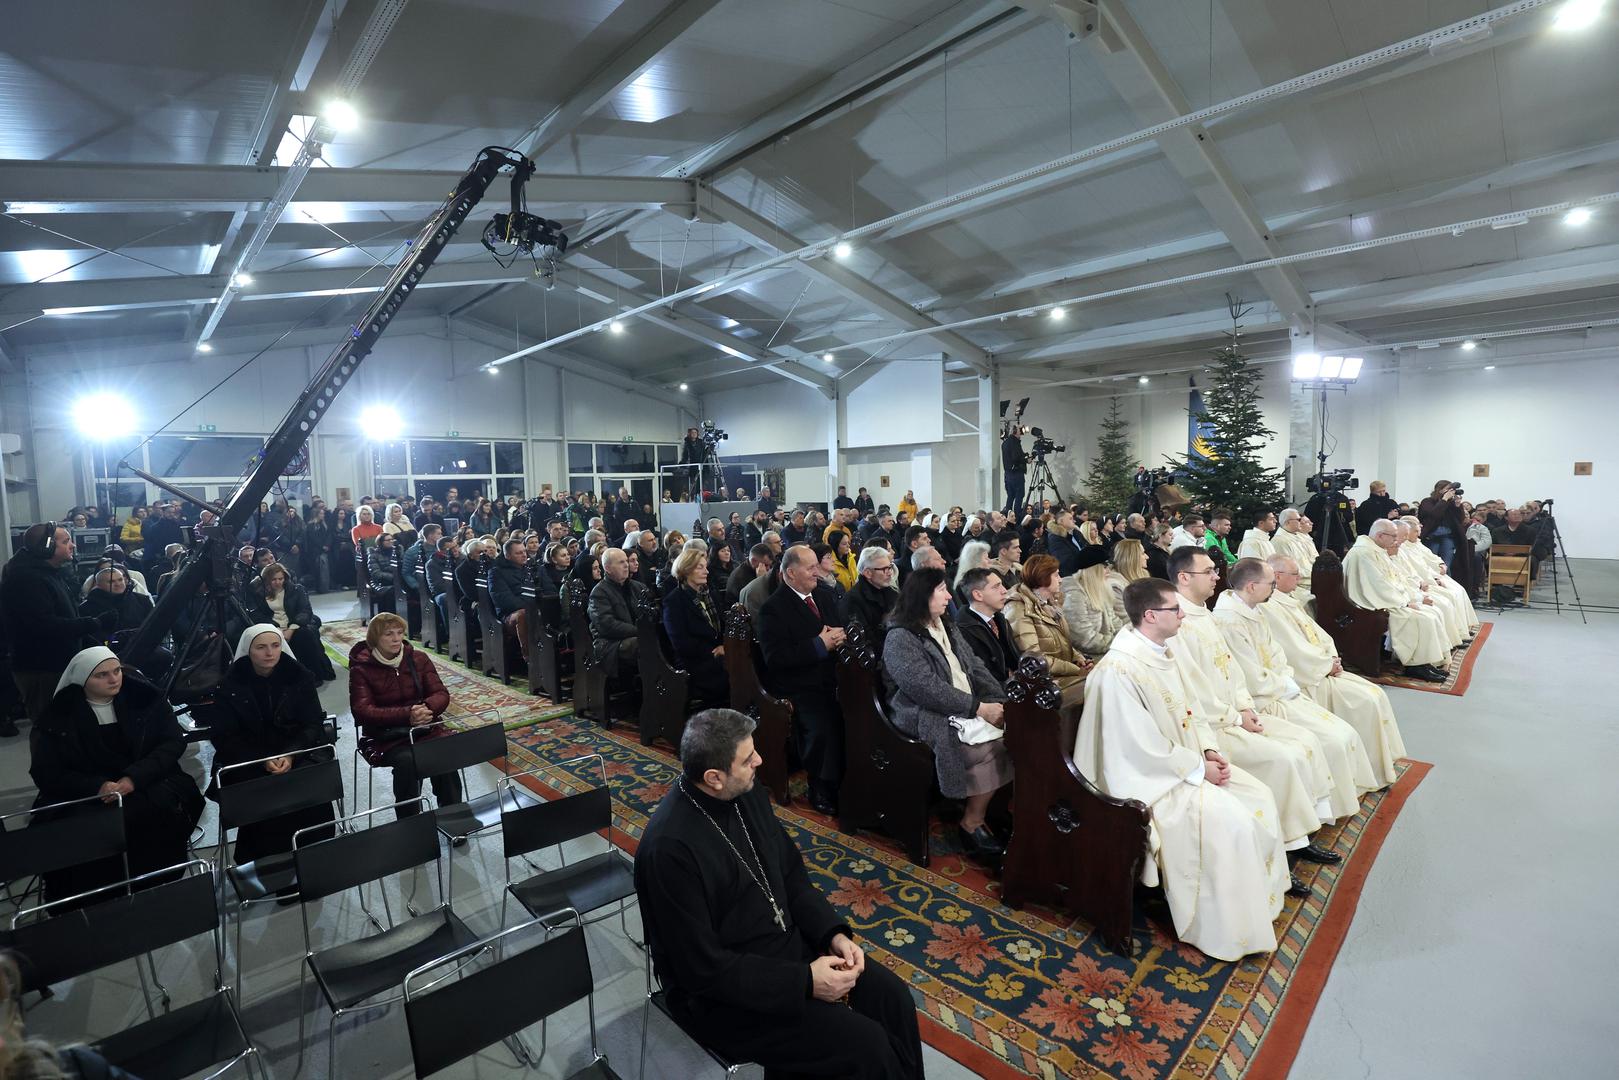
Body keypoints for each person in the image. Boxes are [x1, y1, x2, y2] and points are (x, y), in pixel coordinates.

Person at [633, 709, 923, 1079]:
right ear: (714, 778)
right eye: (747, 758)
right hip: (721, 998)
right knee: (866, 1046)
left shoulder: (748, 795)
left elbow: (791, 877)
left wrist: (831, 933)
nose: (760, 760)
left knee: (894, 1000)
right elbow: (701, 969)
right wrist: (804, 982)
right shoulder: (669, 850)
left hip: (788, 949)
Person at [1074, 578, 1296, 961]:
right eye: (1174, 610)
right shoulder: (1119, 671)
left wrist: (1208, 749)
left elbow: (1191, 708)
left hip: (1186, 764)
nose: (1182, 616)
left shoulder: (1163, 651)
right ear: (1149, 615)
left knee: (1259, 795)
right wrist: (1198, 768)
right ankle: (1223, 930)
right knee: (1232, 822)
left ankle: (1258, 907)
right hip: (1148, 781)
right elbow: (1137, 747)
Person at [1166, 545, 1345, 857]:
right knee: (1285, 759)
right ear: (1183, 577)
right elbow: (1194, 691)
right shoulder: (1178, 623)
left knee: (1305, 741)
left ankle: (1302, 833)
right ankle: (1290, 845)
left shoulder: (1203, 615)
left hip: (1236, 713)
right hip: (1212, 727)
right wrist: (1237, 716)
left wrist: (1245, 705)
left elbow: (1232, 671)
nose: (1216, 576)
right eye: (1208, 571)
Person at [29, 647, 203, 901]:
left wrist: (134, 778)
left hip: (145, 782)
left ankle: (159, 884)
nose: (114, 679)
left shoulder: (144, 698)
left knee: (159, 816)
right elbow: (47, 772)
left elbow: (171, 743)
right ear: (82, 680)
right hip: (88, 793)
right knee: (83, 830)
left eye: (117, 671)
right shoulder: (58, 717)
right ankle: (95, 899)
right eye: (101, 675)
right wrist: (97, 787)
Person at [1212, 558, 1377, 819]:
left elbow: (1277, 654)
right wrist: (1284, 684)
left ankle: (1338, 802)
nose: (1274, 588)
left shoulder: (1252, 610)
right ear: (1253, 586)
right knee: (1331, 741)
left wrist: (1287, 678)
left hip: (1282, 689)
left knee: (1343, 733)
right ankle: (1322, 814)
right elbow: (1252, 678)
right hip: (1265, 700)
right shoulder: (1229, 622)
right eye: (1271, 583)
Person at [883, 567, 1012, 861]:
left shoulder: (946, 624)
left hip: (961, 703)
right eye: (941, 590)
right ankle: (971, 823)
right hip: (919, 712)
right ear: (922, 596)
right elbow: (924, 688)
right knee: (990, 748)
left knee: (1014, 736)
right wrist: (978, 708)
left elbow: (974, 666)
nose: (949, 596)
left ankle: (989, 811)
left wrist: (999, 700)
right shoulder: (900, 637)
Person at [1262, 555, 1407, 787]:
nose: (1300, 577)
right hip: (1309, 678)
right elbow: (1292, 650)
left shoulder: (1287, 600)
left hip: (1323, 667)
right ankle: (1362, 772)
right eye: (1295, 574)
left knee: (1375, 694)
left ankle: (1376, 766)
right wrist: (1325, 665)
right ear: (1277, 576)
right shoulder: (1269, 607)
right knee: (1365, 702)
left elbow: (1318, 634)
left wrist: (1331, 656)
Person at [207, 625, 336, 865]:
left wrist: (290, 755)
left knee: (310, 787)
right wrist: (263, 759)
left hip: (297, 752)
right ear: (249, 651)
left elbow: (312, 724)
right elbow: (224, 736)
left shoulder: (300, 676)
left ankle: (313, 859)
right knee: (264, 796)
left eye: (275, 646)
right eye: (261, 647)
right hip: (248, 759)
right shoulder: (229, 685)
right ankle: (272, 866)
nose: (270, 653)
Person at [757, 545, 847, 815]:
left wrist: (839, 637)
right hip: (798, 684)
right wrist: (819, 645)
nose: (816, 573)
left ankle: (851, 778)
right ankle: (820, 785)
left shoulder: (824, 596)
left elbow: (836, 628)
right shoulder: (773, 609)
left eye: (816, 566)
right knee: (824, 723)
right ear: (790, 573)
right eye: (810, 568)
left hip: (833, 676)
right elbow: (776, 658)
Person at [348, 612, 462, 819]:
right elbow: (363, 711)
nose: (396, 638)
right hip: (385, 737)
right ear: (375, 638)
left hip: (424, 728)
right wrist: (407, 715)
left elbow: (441, 693)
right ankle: (410, 822)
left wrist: (426, 708)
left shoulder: (418, 659)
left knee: (443, 752)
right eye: (388, 634)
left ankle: (453, 817)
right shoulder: (361, 669)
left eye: (399, 633)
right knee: (409, 762)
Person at [2, 524, 111, 728]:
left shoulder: (47, 573)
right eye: (65, 541)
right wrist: (93, 623)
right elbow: (44, 625)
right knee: (50, 731)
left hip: (57, 664)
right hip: (42, 669)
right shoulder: (26, 579)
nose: (73, 545)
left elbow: (64, 615)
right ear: (47, 547)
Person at [1343, 520, 1451, 681]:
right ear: (1380, 535)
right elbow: (1379, 588)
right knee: (1421, 618)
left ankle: (1424, 662)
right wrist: (1406, 602)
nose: (1397, 540)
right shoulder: (1364, 553)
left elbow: (1396, 579)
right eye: (1394, 536)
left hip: (1386, 599)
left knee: (1430, 613)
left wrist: (1413, 598)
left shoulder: (1377, 550)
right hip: (1371, 604)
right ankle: (1415, 666)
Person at [1003, 554, 1090, 709]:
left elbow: (1063, 639)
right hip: (1044, 687)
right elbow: (1035, 659)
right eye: (1056, 575)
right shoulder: (1018, 609)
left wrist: (1078, 657)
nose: (1061, 579)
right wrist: (1076, 670)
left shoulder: (1047, 602)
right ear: (1043, 578)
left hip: (1061, 674)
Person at [662, 548, 729, 703]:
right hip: (694, 660)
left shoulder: (711, 593)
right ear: (686, 570)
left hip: (719, 654)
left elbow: (723, 625)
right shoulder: (674, 601)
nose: (706, 571)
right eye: (700, 567)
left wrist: (725, 646)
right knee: (729, 674)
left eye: (705, 567)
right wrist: (715, 652)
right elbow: (681, 642)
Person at [248, 562, 335, 681]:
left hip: (293, 624)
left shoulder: (296, 589)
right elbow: (256, 614)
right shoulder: (257, 593)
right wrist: (276, 628)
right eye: (274, 579)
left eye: (281, 579)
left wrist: (292, 628)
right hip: (271, 626)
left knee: (305, 635)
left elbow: (305, 610)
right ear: (267, 580)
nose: (278, 582)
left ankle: (312, 676)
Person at [953, 566, 1020, 682]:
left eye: (1002, 585)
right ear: (978, 595)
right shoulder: (962, 632)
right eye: (996, 587)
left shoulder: (1000, 619)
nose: (1004, 590)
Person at [589, 548, 646, 678]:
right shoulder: (599, 593)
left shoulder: (639, 587)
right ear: (608, 568)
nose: (626, 565)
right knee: (642, 644)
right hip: (611, 644)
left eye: (626, 561)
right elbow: (607, 625)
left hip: (638, 635)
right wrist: (640, 631)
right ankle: (651, 685)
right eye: (621, 562)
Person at [1059, 545, 1125, 656]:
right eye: (1104, 567)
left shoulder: (1099, 588)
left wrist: (1129, 636)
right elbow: (1084, 639)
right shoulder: (1075, 595)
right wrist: (1118, 644)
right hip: (1088, 659)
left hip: (1107, 651)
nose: (1108, 570)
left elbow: (1114, 620)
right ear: (1094, 570)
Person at [489, 538, 532, 662]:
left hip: (536, 607)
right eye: (518, 553)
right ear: (507, 555)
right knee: (524, 615)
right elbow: (506, 602)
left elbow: (549, 589)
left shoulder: (533, 567)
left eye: (524, 551)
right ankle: (530, 659)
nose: (524, 555)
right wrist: (531, 605)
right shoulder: (496, 572)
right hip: (510, 615)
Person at [841, 545, 896, 631]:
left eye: (890, 567)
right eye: (884, 569)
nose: (889, 573)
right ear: (868, 573)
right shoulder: (852, 601)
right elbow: (863, 638)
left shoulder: (890, 590)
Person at [1417, 481, 1466, 572]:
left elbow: (1460, 520)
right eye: (1448, 489)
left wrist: (1458, 506)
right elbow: (1433, 514)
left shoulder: (1451, 503)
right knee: (1431, 563)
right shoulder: (1427, 501)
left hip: (1448, 536)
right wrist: (1444, 500)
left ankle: (1446, 584)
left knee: (1446, 564)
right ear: (1439, 490)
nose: (1450, 492)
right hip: (1431, 536)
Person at [1001, 424, 1027, 518]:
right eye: (1020, 430)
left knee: (1010, 496)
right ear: (1015, 431)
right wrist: (1026, 459)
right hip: (1016, 474)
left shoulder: (1005, 443)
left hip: (1008, 475)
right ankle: (1017, 518)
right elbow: (1016, 458)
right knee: (1019, 496)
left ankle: (1008, 518)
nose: (1022, 431)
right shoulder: (1015, 442)